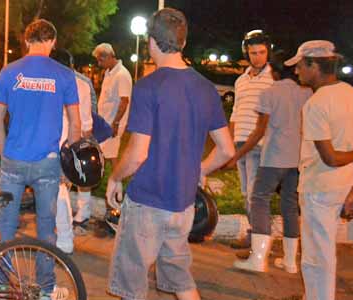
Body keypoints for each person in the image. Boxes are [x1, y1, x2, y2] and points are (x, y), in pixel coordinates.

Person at [105, 8, 234, 300]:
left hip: (148, 202)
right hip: (182, 206)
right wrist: (201, 169)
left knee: (131, 286)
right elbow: (227, 149)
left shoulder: (149, 86)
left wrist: (115, 176)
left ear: (151, 41)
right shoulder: (206, 89)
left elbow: (138, 154)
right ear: (183, 43)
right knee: (181, 281)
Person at [0, 19, 81, 298]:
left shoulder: (8, 72)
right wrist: (68, 161)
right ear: (52, 42)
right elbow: (76, 126)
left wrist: (6, 150)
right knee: (46, 229)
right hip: (47, 163)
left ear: (26, 40)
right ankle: (45, 289)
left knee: (6, 224)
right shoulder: (65, 75)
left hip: (13, 160)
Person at [286, 40, 353, 300]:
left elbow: (330, 157)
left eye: (300, 66)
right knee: (324, 249)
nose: (297, 72)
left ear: (314, 65)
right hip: (342, 184)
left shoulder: (316, 104)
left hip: (319, 187)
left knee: (317, 255)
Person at [232, 53, 312, 273]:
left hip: (274, 157)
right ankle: (290, 261)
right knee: (289, 205)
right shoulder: (306, 93)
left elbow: (259, 131)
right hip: (296, 159)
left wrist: (236, 156)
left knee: (259, 199)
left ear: (275, 72)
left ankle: (258, 258)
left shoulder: (269, 92)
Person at [226, 30, 275, 250]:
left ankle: (259, 238)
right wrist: (230, 140)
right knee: (246, 192)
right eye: (253, 52)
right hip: (239, 142)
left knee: (255, 194)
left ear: (268, 52)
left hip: (260, 144)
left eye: (262, 52)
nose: (257, 57)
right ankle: (255, 232)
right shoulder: (241, 80)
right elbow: (236, 111)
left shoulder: (273, 79)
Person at [49, 48, 94, 253]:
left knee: (58, 192)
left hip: (51, 144)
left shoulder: (49, 83)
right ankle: (63, 235)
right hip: (71, 144)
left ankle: (64, 238)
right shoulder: (83, 85)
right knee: (61, 190)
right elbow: (86, 126)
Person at [93, 43, 132, 167]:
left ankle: (116, 181)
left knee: (111, 156)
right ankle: (112, 180)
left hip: (112, 124)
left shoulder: (122, 75)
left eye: (101, 60)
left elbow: (124, 101)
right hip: (105, 123)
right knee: (108, 155)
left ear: (110, 56)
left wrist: (116, 123)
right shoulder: (109, 72)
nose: (99, 64)